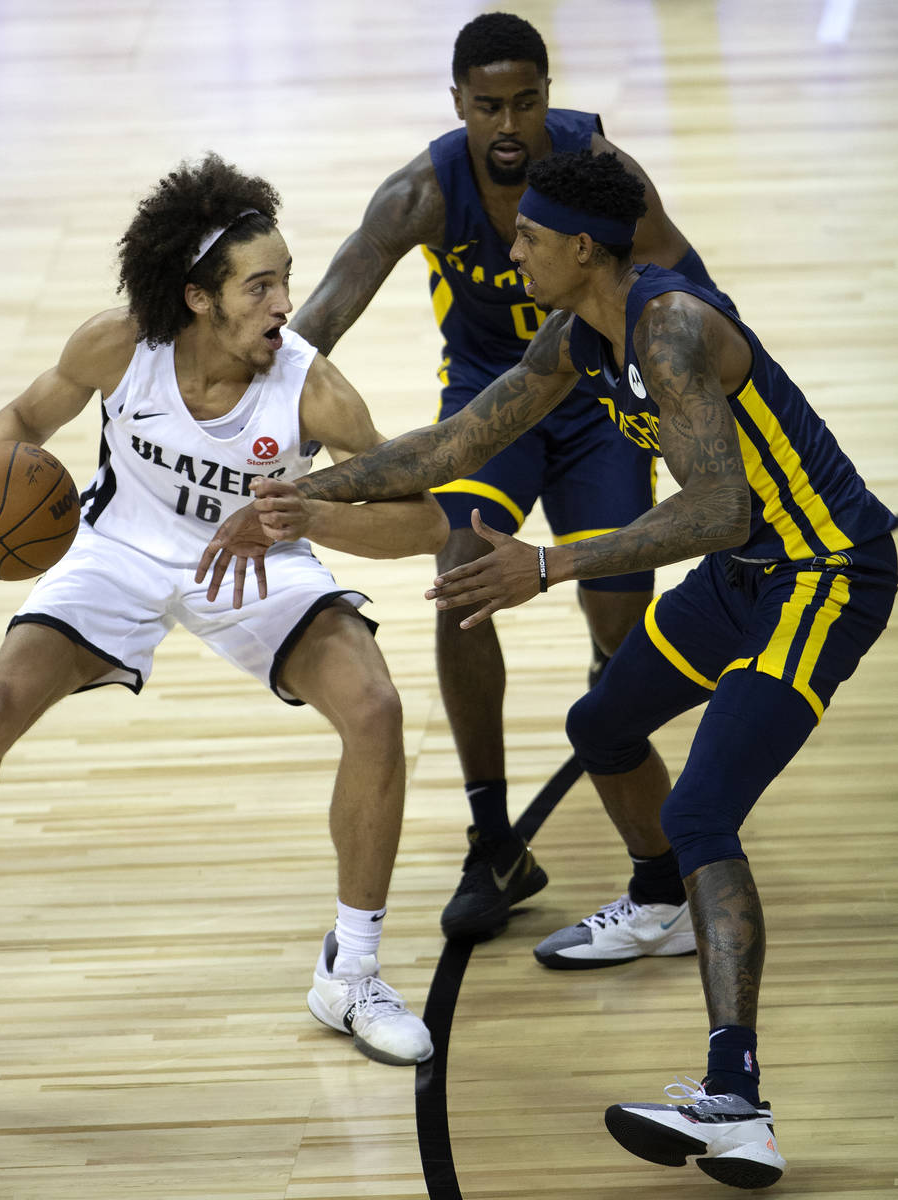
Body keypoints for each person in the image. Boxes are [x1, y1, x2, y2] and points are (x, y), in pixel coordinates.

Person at [199, 150, 896, 1186]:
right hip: (746, 574)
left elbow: (717, 508)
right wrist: (309, 496)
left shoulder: (668, 326)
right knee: (600, 728)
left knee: (704, 810)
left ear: (580, 248)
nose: (506, 248)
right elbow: (449, 445)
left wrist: (547, 562)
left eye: (526, 235)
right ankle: (660, 900)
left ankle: (736, 1103)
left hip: (822, 573)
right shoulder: (579, 335)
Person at [0, 154, 448, 1068]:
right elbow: (21, 422)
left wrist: (311, 514)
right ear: (197, 297)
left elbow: (423, 521)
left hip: (254, 563)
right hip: (118, 554)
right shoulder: (117, 346)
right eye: (260, 286)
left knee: (375, 710)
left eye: (287, 279)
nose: (284, 303)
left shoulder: (314, 389)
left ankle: (353, 973)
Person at [289, 11, 734, 943]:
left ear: (546, 96)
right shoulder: (423, 189)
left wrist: (699, 382)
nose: (507, 124)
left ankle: (629, 776)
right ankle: (492, 836)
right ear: (456, 104)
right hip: (495, 400)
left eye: (525, 102)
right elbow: (325, 309)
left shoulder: (591, 167)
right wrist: (241, 406)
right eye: (486, 105)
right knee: (460, 576)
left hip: (595, 399)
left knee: (619, 622)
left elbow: (679, 268)